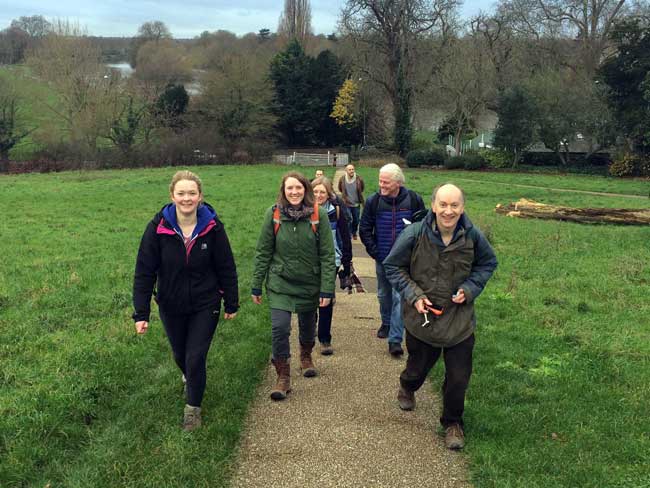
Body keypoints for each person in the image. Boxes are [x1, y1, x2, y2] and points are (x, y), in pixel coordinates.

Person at [383, 183, 497, 450]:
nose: (448, 211)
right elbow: (393, 266)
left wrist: (469, 289)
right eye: (443, 205)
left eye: (454, 205)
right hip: (423, 318)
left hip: (459, 320)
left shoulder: (473, 237)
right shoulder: (413, 234)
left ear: (462, 207)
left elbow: (488, 264)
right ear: (433, 206)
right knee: (417, 369)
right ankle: (407, 386)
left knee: (459, 377)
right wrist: (414, 295)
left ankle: (453, 423)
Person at [132, 170, 239, 431]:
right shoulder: (157, 228)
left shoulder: (213, 226)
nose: (187, 198)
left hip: (206, 303)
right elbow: (144, 270)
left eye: (192, 193)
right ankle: (190, 378)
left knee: (195, 357)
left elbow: (226, 265)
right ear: (172, 196)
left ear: (200, 196)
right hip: (171, 303)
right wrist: (141, 313)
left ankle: (193, 409)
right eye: (181, 193)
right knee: (180, 354)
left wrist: (231, 301)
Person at [251, 172, 336, 400]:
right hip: (280, 283)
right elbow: (263, 251)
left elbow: (328, 255)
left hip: (310, 282)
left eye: (298, 188)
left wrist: (327, 288)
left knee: (308, 326)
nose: (294, 192)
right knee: (280, 328)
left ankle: (306, 356)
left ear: (305, 189)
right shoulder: (274, 214)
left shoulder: (319, 216)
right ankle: (283, 376)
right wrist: (256, 284)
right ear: (283, 190)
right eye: (290, 188)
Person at [359, 163, 425, 357]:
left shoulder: (413, 200)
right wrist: (376, 252)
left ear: (397, 182)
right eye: (380, 181)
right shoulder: (373, 202)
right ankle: (386, 323)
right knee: (383, 294)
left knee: (400, 298)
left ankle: (395, 340)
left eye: (385, 182)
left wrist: (414, 253)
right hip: (383, 258)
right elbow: (364, 229)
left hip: (405, 262)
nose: (381, 185)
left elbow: (422, 228)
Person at [312, 176, 352, 355]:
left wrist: (346, 261)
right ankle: (310, 327)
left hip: (332, 261)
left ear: (329, 194)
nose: (319, 195)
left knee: (326, 298)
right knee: (311, 297)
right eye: (315, 192)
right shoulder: (305, 212)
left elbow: (345, 236)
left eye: (322, 192)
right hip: (309, 262)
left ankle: (325, 339)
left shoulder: (335, 211)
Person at [337, 163, 365, 240]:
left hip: (356, 203)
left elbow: (362, 188)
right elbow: (340, 188)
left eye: (353, 169)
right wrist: (345, 197)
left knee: (356, 220)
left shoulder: (359, 179)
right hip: (346, 203)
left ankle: (354, 232)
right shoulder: (342, 179)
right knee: (348, 219)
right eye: (350, 169)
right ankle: (348, 234)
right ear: (346, 171)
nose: (351, 171)